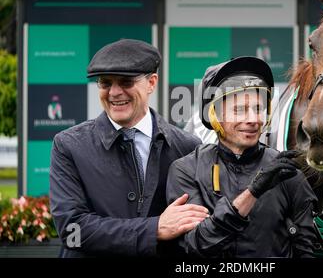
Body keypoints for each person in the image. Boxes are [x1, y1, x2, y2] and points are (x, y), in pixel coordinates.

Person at [50, 39, 206, 257]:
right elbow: (72, 230)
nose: (114, 92)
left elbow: (196, 228)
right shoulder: (68, 145)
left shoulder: (188, 146)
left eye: (125, 82)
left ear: (152, 83)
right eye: (105, 83)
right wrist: (155, 229)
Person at [166, 56, 318, 258]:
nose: (253, 119)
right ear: (215, 115)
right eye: (240, 110)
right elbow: (197, 246)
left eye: (258, 108)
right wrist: (254, 191)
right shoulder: (186, 170)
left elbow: (307, 249)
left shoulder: (286, 172)